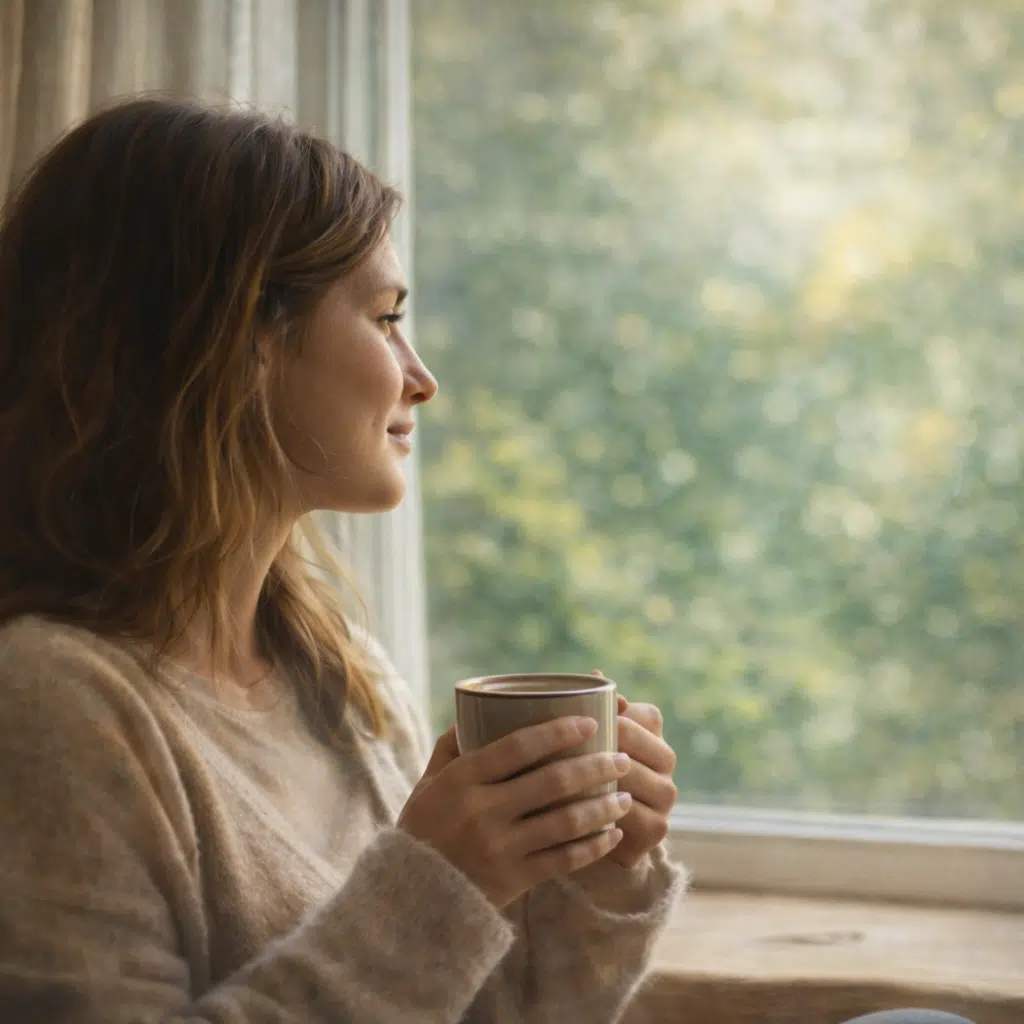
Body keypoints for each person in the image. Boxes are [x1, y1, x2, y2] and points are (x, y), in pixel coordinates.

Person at [0, 98, 975, 1024]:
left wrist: (596, 880)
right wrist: (438, 879)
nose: (421, 377)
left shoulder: (340, 679)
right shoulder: (51, 703)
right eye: (384, 318)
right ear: (233, 344)